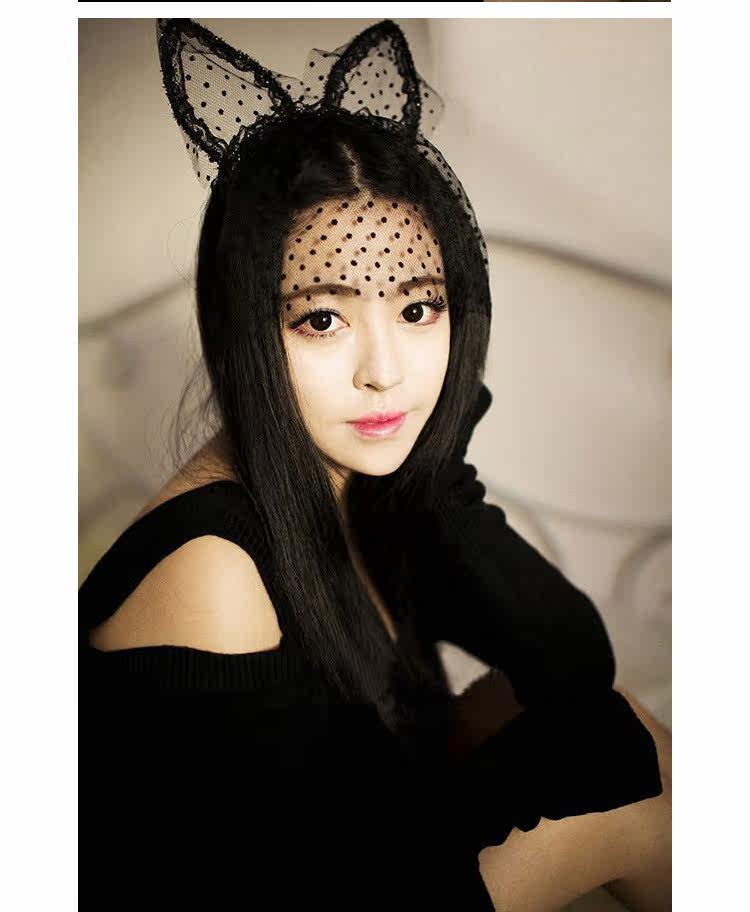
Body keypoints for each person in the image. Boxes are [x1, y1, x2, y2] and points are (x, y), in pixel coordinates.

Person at [79, 18, 671, 911]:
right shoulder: (211, 569)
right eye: (323, 319)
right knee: (630, 796)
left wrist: (443, 473)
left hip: (353, 831)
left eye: (419, 309)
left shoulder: (363, 486)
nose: (384, 371)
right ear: (245, 336)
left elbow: (572, 667)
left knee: (611, 727)